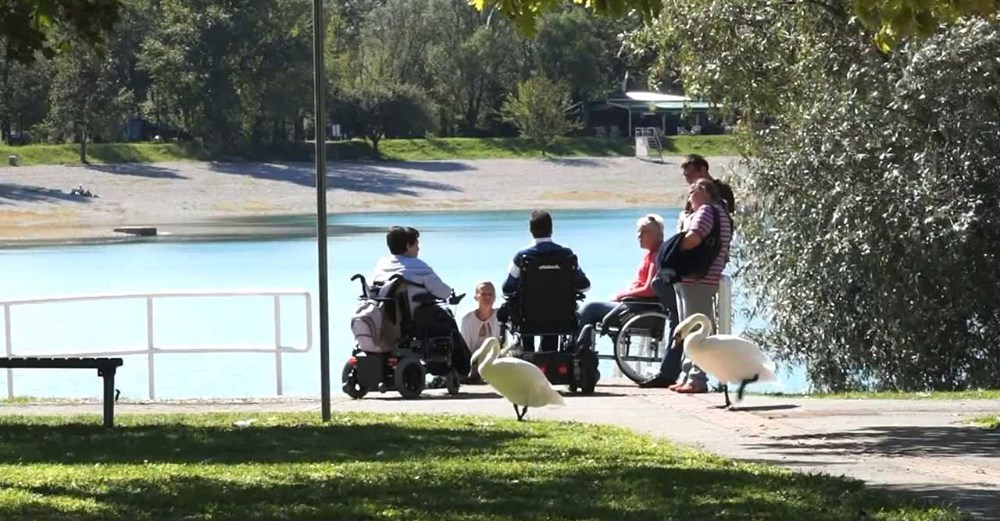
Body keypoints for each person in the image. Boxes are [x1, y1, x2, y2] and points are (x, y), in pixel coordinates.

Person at [643, 179, 733, 392]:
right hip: (699, 279)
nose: (690, 197)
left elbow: (693, 238)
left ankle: (696, 379)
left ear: (703, 191)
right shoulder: (721, 213)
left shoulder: (706, 211)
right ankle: (687, 375)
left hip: (697, 279)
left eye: (693, 192)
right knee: (688, 328)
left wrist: (671, 250)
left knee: (694, 329)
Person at [371, 226, 471, 376]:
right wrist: (451, 294)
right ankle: (463, 368)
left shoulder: (381, 265)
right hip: (416, 321)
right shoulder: (419, 267)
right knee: (448, 322)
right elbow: (443, 292)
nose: (419, 248)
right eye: (416, 244)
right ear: (408, 245)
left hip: (386, 319)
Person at [501, 210, 590, 352]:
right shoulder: (567, 255)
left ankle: (528, 353)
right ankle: (551, 355)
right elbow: (585, 286)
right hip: (560, 317)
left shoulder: (522, 256)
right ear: (551, 229)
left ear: (530, 230)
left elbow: (508, 289)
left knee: (524, 310)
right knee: (554, 313)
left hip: (528, 318)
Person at [575, 214, 665, 350]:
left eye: (645, 232)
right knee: (588, 310)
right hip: (636, 307)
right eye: (638, 231)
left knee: (589, 308)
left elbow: (650, 290)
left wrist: (621, 295)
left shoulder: (656, 256)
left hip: (638, 310)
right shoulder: (653, 254)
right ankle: (582, 347)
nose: (639, 235)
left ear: (659, 234)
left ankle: (578, 350)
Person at [459, 281, 498, 382]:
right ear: (476, 297)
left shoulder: (501, 316)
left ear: (495, 297)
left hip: (496, 361)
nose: (487, 297)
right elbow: (465, 348)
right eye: (483, 294)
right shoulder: (467, 319)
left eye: (490, 294)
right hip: (473, 363)